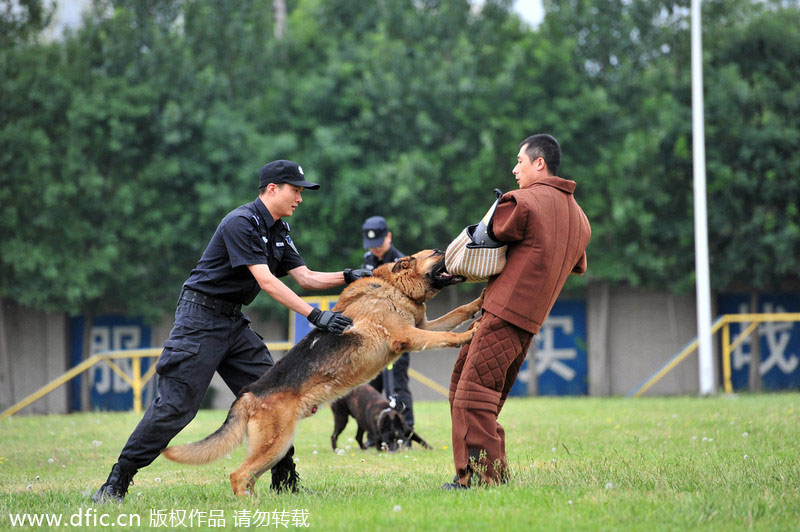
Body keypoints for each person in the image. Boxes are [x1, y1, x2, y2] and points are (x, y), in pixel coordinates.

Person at [92, 160, 371, 502]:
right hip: (199, 319)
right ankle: (116, 482)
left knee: (276, 394)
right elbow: (266, 281)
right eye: (295, 190)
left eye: (301, 192)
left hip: (233, 321)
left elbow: (307, 277)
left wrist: (350, 275)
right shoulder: (241, 222)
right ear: (272, 189)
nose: (300, 198)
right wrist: (316, 316)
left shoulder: (279, 230)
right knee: (176, 407)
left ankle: (286, 481)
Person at [443, 134, 591, 489]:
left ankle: (481, 479)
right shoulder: (581, 220)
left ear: (539, 163)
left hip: (502, 314)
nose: (514, 170)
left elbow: (488, 234)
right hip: (528, 322)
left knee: (472, 395)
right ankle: (480, 471)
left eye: (519, 162)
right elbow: (577, 265)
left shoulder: (523, 202)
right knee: (472, 392)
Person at [360, 216, 415, 432]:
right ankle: (375, 434)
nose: (374, 249)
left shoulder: (403, 264)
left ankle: (406, 431)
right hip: (374, 336)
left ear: (389, 237)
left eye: (378, 243)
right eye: (370, 245)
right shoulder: (367, 260)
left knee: (396, 386)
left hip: (396, 335)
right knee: (371, 387)